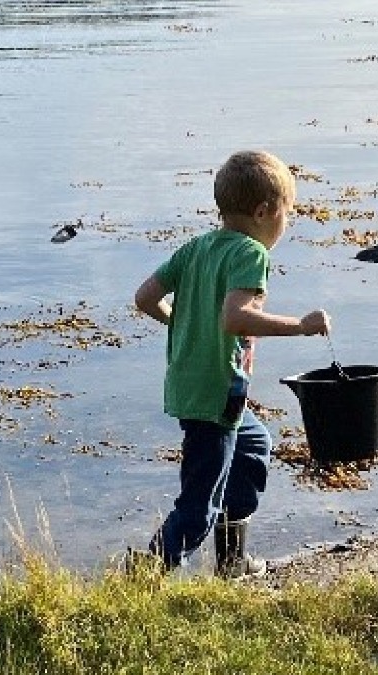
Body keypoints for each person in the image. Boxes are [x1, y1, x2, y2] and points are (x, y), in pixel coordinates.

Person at [132, 150, 331, 577]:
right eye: (287, 213)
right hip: (215, 396)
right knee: (198, 506)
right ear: (264, 211)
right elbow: (235, 317)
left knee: (254, 447)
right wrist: (301, 325)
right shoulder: (251, 253)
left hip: (195, 387)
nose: (287, 223)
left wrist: (182, 324)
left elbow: (144, 298)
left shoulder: (196, 248)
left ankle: (233, 560)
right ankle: (142, 577)